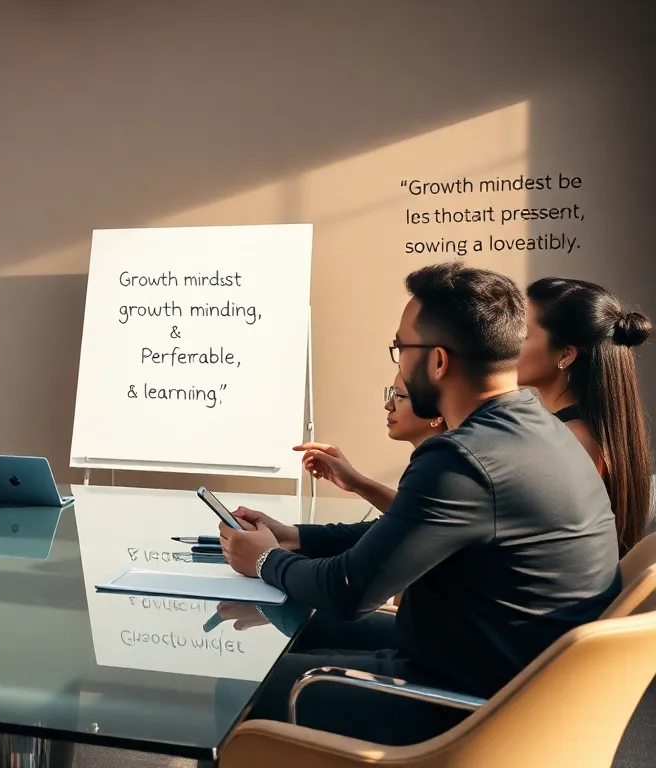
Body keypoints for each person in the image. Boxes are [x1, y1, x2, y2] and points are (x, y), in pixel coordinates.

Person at [217, 261, 621, 746]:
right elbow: (405, 535)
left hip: (471, 710)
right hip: (510, 677)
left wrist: (263, 559)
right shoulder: (538, 428)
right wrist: (297, 538)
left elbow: (349, 591)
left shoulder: (463, 458)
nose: (397, 365)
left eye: (401, 348)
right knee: (299, 631)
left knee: (237, 686)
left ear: (438, 362)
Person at [518, 277, 653, 554]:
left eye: (524, 335)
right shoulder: (575, 430)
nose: (509, 343)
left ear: (566, 355)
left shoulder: (573, 440)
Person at [295, 372, 447, 515]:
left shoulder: (439, 469)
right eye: (391, 394)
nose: (388, 406)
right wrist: (355, 482)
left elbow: (409, 523)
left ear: (436, 414)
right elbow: (413, 514)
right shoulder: (434, 461)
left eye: (399, 396)